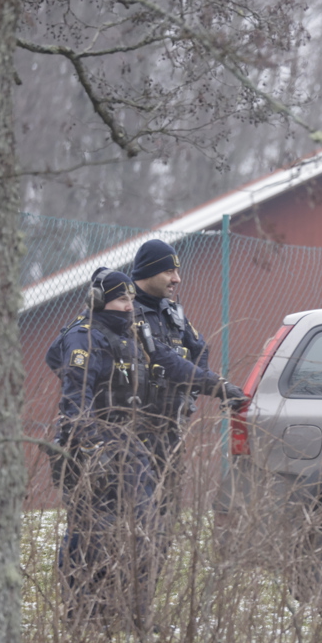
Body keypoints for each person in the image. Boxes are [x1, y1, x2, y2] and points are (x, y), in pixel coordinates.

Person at [48, 268, 243, 625]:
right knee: (91, 531)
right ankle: (81, 614)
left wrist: (217, 386)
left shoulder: (135, 333)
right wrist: (91, 444)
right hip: (94, 449)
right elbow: (76, 400)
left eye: (131, 299)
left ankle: (128, 611)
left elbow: (172, 362)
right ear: (99, 301)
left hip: (130, 446)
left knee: (145, 526)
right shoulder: (83, 338)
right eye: (122, 300)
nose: (129, 307)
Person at [129, 239, 215, 565]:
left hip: (169, 429)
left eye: (177, 271)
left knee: (167, 512)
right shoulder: (124, 308)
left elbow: (200, 349)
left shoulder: (173, 312)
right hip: (133, 431)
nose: (177, 279)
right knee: (138, 513)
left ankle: (150, 584)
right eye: (169, 271)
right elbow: (164, 359)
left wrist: (190, 393)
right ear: (148, 271)